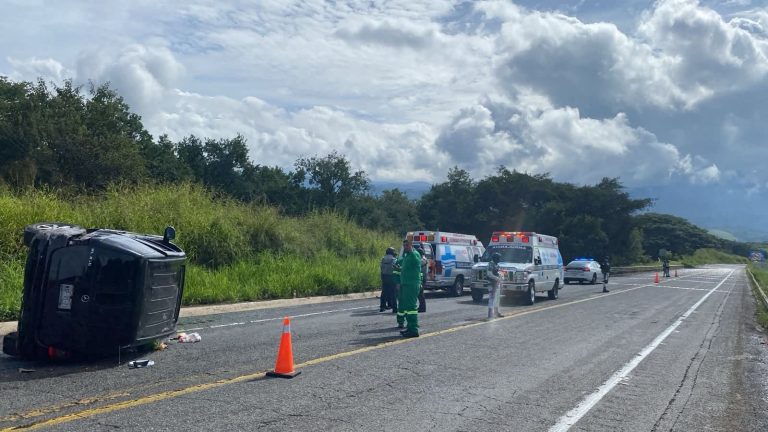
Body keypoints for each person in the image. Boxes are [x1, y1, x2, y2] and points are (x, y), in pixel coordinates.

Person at [395, 240, 421, 337]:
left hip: (411, 284)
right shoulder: (407, 256)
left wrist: (412, 251)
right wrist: (399, 269)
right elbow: (407, 269)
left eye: (406, 245)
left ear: (411, 246)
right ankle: (409, 328)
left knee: (411, 307)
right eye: (404, 245)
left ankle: (414, 330)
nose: (405, 247)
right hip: (406, 284)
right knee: (407, 307)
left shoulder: (414, 254)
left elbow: (418, 263)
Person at [486, 252, 503, 319]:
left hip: (497, 283)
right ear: (495, 258)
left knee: (497, 298)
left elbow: (497, 272)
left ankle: (496, 312)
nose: (499, 259)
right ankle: (490, 314)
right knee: (492, 298)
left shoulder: (496, 265)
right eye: (498, 258)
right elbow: (489, 274)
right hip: (491, 283)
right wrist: (497, 278)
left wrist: (500, 275)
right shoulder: (490, 264)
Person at [380, 247, 398, 312]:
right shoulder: (394, 259)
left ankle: (382, 307)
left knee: (384, 292)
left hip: (384, 276)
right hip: (392, 277)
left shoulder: (383, 259)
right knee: (393, 293)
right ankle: (394, 308)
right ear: (392, 252)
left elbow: (381, 268)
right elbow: (396, 267)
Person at [414, 244, 427, 313]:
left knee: (420, 294)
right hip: (421, 277)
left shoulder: (422, 260)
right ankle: (421, 307)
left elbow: (417, 265)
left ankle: (422, 308)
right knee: (419, 294)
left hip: (422, 278)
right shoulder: (423, 259)